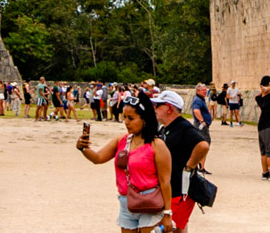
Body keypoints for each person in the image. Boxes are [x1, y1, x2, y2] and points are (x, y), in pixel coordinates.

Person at [77, 90, 173, 233]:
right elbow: (98, 158)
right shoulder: (121, 140)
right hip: (126, 203)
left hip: (150, 203)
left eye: (131, 118)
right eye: (124, 117)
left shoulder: (156, 145)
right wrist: (83, 148)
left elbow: (165, 181)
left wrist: (167, 213)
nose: (126, 122)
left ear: (144, 119)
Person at [152, 90, 208, 233]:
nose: (155, 109)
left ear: (169, 108)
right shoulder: (166, 128)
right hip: (172, 188)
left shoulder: (183, 127)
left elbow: (203, 145)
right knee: (178, 226)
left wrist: (189, 167)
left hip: (180, 189)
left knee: (173, 226)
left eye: (158, 106)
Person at [189, 83, 212, 174]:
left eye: (206, 90)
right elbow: (196, 111)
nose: (205, 91)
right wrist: (202, 121)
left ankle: (201, 166)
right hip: (200, 125)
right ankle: (200, 167)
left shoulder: (200, 100)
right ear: (198, 91)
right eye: (203, 90)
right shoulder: (198, 100)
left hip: (202, 125)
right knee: (204, 144)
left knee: (204, 144)